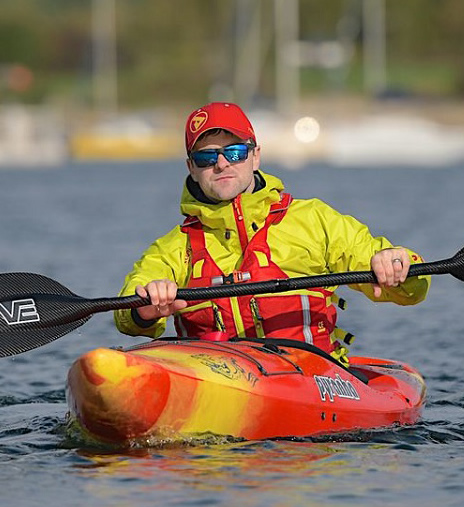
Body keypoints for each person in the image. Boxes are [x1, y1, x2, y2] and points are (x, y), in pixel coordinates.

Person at [114, 102, 428, 364]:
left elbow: (412, 289)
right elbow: (127, 312)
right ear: (191, 168)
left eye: (234, 152)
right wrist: (143, 310)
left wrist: (397, 264)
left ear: (256, 156)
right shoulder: (172, 248)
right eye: (206, 158)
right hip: (217, 383)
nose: (222, 164)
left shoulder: (313, 220)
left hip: (313, 377)